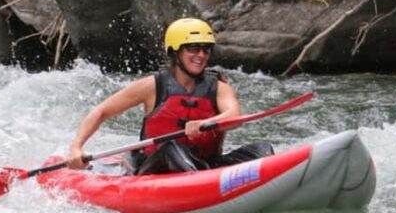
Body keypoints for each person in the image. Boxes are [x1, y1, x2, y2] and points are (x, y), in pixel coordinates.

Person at [66, 17, 273, 175]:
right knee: (171, 148)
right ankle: (196, 189)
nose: (201, 55)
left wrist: (207, 122)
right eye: (193, 48)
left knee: (262, 150)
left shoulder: (219, 87)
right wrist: (76, 148)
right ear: (175, 51)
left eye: (206, 49)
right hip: (157, 168)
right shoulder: (152, 86)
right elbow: (101, 111)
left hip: (205, 167)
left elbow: (233, 116)